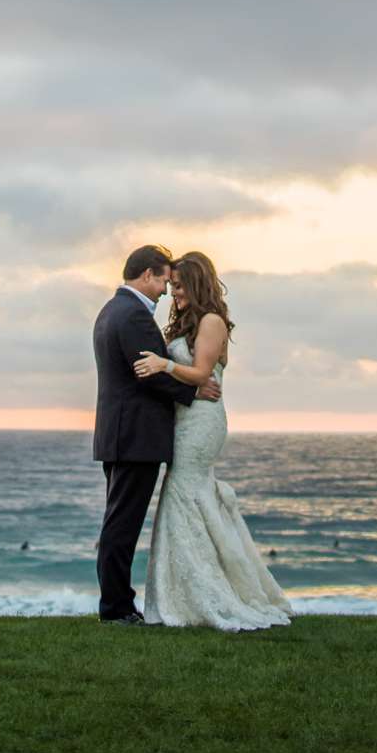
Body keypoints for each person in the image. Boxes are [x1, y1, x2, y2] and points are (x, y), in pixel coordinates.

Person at [133, 249, 291, 631]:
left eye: (180, 286)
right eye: (172, 286)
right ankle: (184, 593)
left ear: (197, 283)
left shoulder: (212, 322)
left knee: (184, 494)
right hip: (184, 419)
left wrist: (164, 364)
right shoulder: (188, 323)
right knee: (184, 498)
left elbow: (203, 372)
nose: (175, 294)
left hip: (201, 422)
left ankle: (207, 593)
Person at [91, 243, 221, 624]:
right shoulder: (133, 315)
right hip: (136, 437)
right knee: (122, 525)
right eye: (164, 280)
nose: (167, 290)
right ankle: (115, 609)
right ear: (147, 274)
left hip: (120, 435)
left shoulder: (111, 310)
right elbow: (148, 376)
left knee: (118, 521)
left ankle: (119, 603)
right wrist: (193, 391)